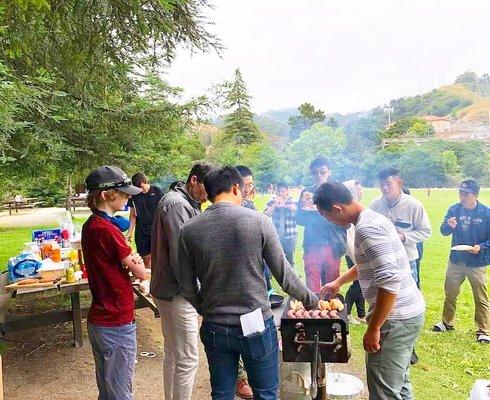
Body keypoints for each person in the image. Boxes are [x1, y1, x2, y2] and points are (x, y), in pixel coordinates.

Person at [178, 166, 318, 400]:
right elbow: (284, 276)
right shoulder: (258, 221)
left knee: (222, 394)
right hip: (256, 326)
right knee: (265, 394)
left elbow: (186, 286)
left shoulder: (189, 229)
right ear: (236, 188)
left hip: (214, 327)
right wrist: (311, 299)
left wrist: (207, 309)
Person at [316, 182, 426, 400]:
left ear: (337, 208)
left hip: (395, 319)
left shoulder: (367, 229)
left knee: (383, 391)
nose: (328, 220)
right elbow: (369, 263)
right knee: (400, 383)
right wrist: (338, 282)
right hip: (409, 313)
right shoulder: (372, 218)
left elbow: (390, 281)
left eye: (326, 215)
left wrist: (374, 328)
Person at [82, 165, 149, 400]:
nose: (128, 196)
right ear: (104, 195)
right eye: (122, 192)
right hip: (116, 322)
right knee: (120, 393)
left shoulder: (91, 225)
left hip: (100, 320)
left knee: (108, 391)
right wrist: (135, 263)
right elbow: (140, 271)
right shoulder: (107, 229)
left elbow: (120, 263)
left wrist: (129, 263)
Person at [150, 162, 213, 400]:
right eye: (206, 189)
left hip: (168, 290)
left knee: (174, 354)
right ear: (194, 180)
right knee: (187, 358)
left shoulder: (180, 201)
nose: (208, 196)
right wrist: (197, 295)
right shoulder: (177, 204)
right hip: (178, 293)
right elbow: (181, 256)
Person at [433, 179, 490, 344]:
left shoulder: (486, 213)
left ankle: (483, 330)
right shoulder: (454, 210)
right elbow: (443, 231)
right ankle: (446, 322)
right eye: (460, 193)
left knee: (480, 297)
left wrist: (481, 246)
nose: (462, 197)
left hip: (477, 262)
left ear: (476, 195)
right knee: (450, 293)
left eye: (466, 194)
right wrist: (449, 226)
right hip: (456, 260)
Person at [370, 168, 431, 289]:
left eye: (389, 184)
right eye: (382, 185)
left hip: (407, 260)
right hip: (382, 261)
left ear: (399, 183)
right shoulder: (374, 205)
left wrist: (404, 237)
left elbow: (426, 231)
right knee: (383, 300)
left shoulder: (413, 204)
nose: (385, 188)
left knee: (409, 298)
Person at [296, 157, 347, 292]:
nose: (318, 176)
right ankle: (313, 312)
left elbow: (345, 221)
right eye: (315, 173)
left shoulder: (337, 191)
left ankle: (330, 312)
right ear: (311, 173)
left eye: (322, 172)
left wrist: (320, 211)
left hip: (333, 245)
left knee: (331, 287)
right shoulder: (306, 192)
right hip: (312, 246)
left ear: (329, 172)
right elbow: (299, 220)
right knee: (312, 288)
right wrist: (301, 207)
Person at [234, 165, 260, 398]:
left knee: (252, 330)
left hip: (254, 280)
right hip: (236, 285)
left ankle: (248, 373)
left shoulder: (251, 206)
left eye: (251, 184)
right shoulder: (228, 210)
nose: (250, 188)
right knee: (238, 331)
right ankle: (240, 378)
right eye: (247, 184)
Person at [127, 172, 164, 267]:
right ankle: (148, 279)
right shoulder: (134, 195)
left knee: (158, 258)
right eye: (138, 188)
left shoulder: (157, 191)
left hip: (156, 230)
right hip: (141, 231)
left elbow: (164, 212)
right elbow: (132, 215)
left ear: (146, 181)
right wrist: (129, 234)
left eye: (142, 187)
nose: (141, 190)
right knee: (145, 259)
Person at [342, 180, 366, 325]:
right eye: (357, 190)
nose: (361, 192)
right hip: (353, 252)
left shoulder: (361, 210)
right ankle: (347, 311)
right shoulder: (349, 213)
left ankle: (362, 314)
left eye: (361, 189)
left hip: (361, 252)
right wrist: (359, 260)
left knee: (361, 284)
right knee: (358, 283)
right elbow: (350, 237)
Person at [264, 182, 298, 268]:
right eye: (278, 191)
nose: (280, 193)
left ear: (287, 191)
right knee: (274, 257)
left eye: (282, 191)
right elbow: (266, 214)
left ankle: (292, 278)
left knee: (290, 258)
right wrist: (274, 205)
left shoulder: (293, 201)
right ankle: (273, 276)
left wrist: (293, 209)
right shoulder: (272, 201)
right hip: (276, 234)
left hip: (290, 235)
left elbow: (300, 216)